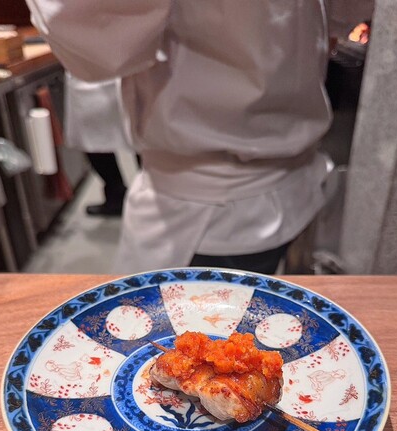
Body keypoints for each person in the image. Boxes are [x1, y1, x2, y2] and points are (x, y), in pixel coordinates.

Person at [27, 0, 374, 274]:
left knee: (194, 337)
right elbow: (344, 15)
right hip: (277, 186)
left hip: (212, 212)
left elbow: (92, 35)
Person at [64, 72, 132, 216]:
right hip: (90, 77)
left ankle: (122, 196)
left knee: (142, 137)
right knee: (93, 141)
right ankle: (117, 196)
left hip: (124, 76)